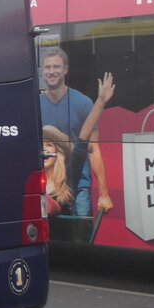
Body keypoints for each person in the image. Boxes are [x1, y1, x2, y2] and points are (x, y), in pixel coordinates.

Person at [39, 46, 112, 217]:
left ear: (65, 70)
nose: (51, 71)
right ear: (42, 71)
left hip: (78, 186)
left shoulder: (82, 103)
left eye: (56, 67)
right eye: (47, 67)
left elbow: (93, 150)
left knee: (80, 237)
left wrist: (104, 193)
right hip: (46, 188)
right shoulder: (34, 104)